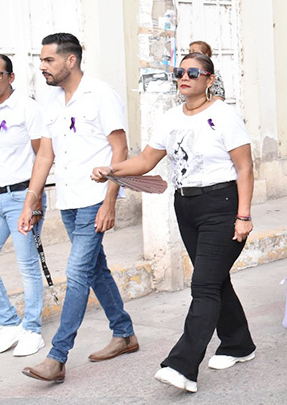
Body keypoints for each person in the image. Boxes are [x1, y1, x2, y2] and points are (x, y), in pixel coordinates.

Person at [90, 52, 255, 392]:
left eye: (193, 72)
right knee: (215, 280)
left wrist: (243, 215)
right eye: (180, 72)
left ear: (209, 79)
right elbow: (145, 161)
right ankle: (238, 343)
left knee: (204, 286)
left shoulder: (224, 115)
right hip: (186, 206)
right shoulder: (169, 118)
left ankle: (182, 365)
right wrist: (112, 169)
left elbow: (244, 168)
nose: (184, 77)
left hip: (222, 204)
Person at [18, 33, 137, 383]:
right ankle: (124, 333)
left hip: (95, 198)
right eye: (41, 60)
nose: (42, 66)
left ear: (70, 60)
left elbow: (120, 150)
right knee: (95, 269)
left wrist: (111, 201)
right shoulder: (51, 100)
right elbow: (45, 154)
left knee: (78, 273)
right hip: (68, 200)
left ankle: (57, 357)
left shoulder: (101, 94)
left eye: (48, 60)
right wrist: (31, 200)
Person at [0, 54, 46, 357]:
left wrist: (34, 199)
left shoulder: (27, 108)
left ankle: (32, 329)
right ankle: (9, 324)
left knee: (27, 265)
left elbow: (43, 155)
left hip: (22, 196)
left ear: (11, 77)